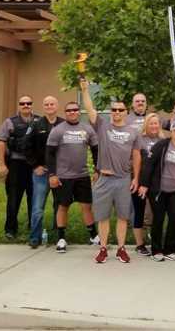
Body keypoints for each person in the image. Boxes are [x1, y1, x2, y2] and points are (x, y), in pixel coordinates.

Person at [80, 79, 142, 264]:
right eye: (114, 110)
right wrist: (84, 91)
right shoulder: (102, 126)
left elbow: (137, 156)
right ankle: (103, 249)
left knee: (123, 217)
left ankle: (121, 249)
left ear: (126, 112)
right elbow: (90, 110)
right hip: (104, 179)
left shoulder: (133, 132)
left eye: (120, 110)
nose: (116, 112)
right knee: (103, 216)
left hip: (123, 179)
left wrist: (136, 178)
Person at [138, 117, 175, 262]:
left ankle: (170, 249)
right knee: (158, 219)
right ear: (171, 131)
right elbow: (148, 165)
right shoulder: (162, 145)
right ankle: (156, 250)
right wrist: (144, 184)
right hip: (159, 190)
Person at [46, 101, 99, 253]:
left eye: (75, 110)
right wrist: (52, 174)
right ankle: (61, 238)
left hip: (82, 175)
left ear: (79, 112)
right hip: (63, 177)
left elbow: (96, 150)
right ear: (65, 112)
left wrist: (97, 170)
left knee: (87, 206)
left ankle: (93, 236)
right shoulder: (58, 130)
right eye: (69, 110)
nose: (72, 112)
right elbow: (49, 153)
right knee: (63, 207)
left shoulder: (87, 129)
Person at [0, 95, 38, 239]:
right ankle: (10, 229)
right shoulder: (10, 122)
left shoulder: (39, 121)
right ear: (19, 105)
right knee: (13, 198)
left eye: (28, 103)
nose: (26, 105)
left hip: (34, 166)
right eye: (22, 103)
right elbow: (1, 142)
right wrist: (2, 164)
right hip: (16, 164)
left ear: (32, 105)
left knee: (34, 197)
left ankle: (33, 227)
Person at [24, 96, 64, 248]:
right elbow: (26, 146)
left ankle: (59, 235)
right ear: (43, 106)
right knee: (37, 207)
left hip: (60, 172)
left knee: (60, 205)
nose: (49, 106)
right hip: (42, 172)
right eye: (46, 104)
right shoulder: (36, 124)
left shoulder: (63, 124)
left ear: (57, 105)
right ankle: (35, 237)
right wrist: (35, 166)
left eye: (52, 104)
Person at [132, 113, 165, 256]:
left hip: (157, 184)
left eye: (156, 123)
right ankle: (140, 244)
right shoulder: (139, 140)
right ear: (146, 125)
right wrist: (136, 180)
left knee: (157, 214)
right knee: (139, 212)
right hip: (140, 182)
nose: (154, 126)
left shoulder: (164, 141)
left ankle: (156, 242)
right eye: (151, 123)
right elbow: (136, 161)